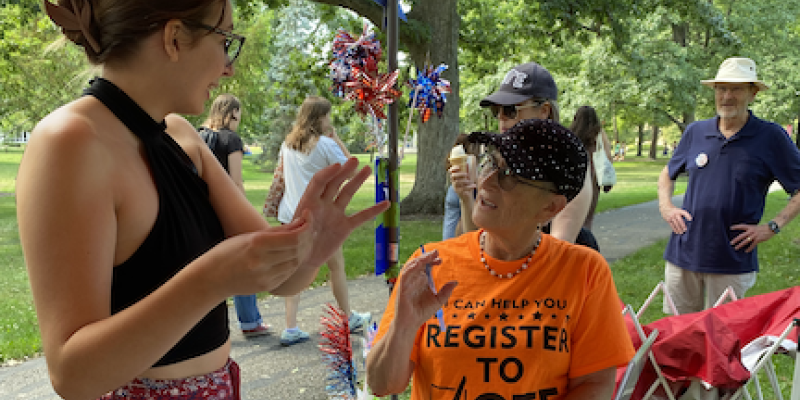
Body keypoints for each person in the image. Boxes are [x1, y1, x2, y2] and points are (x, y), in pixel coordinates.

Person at [19, 2, 388, 399]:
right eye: (225, 39)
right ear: (174, 37)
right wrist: (211, 279)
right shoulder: (70, 142)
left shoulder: (182, 137)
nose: (229, 67)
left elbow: (282, 279)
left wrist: (311, 249)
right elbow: (72, 375)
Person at [367, 119, 634, 400]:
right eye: (491, 163)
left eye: (510, 175)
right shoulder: (432, 265)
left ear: (550, 207)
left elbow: (594, 385)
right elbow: (383, 385)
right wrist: (404, 327)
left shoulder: (584, 271)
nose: (486, 180)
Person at [658, 57, 800, 315]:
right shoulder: (695, 132)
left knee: (722, 338)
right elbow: (667, 174)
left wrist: (773, 226)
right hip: (683, 253)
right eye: (721, 88)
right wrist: (666, 207)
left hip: (732, 259)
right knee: (677, 336)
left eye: (736, 89)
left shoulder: (771, 137)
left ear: (753, 93)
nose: (727, 96)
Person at [451, 61, 596, 249]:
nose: (501, 117)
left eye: (510, 110)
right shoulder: (497, 159)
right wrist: (466, 198)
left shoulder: (566, 167)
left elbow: (557, 251)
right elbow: (475, 246)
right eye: (497, 110)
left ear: (544, 111)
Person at [276, 96, 372, 346]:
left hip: (290, 214)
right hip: (317, 217)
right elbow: (351, 168)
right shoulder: (325, 145)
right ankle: (347, 316)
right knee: (336, 266)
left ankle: (290, 327)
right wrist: (337, 139)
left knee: (294, 267)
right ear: (319, 118)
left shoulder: (288, 144)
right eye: (327, 115)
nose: (330, 119)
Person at [197, 93, 269, 338]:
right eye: (237, 117)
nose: (237, 122)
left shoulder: (199, 135)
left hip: (201, 211)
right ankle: (250, 321)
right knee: (242, 266)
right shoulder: (231, 139)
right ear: (231, 114)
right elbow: (236, 181)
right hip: (226, 209)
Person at [569, 106, 609, 231]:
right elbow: (607, 155)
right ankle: (585, 242)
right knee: (588, 216)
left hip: (574, 175)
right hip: (593, 176)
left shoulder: (571, 133)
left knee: (572, 214)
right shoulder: (599, 134)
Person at [442, 133, 479, 240]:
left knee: (453, 217)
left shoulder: (453, 156)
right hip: (467, 188)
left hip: (452, 190)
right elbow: (472, 179)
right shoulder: (471, 159)